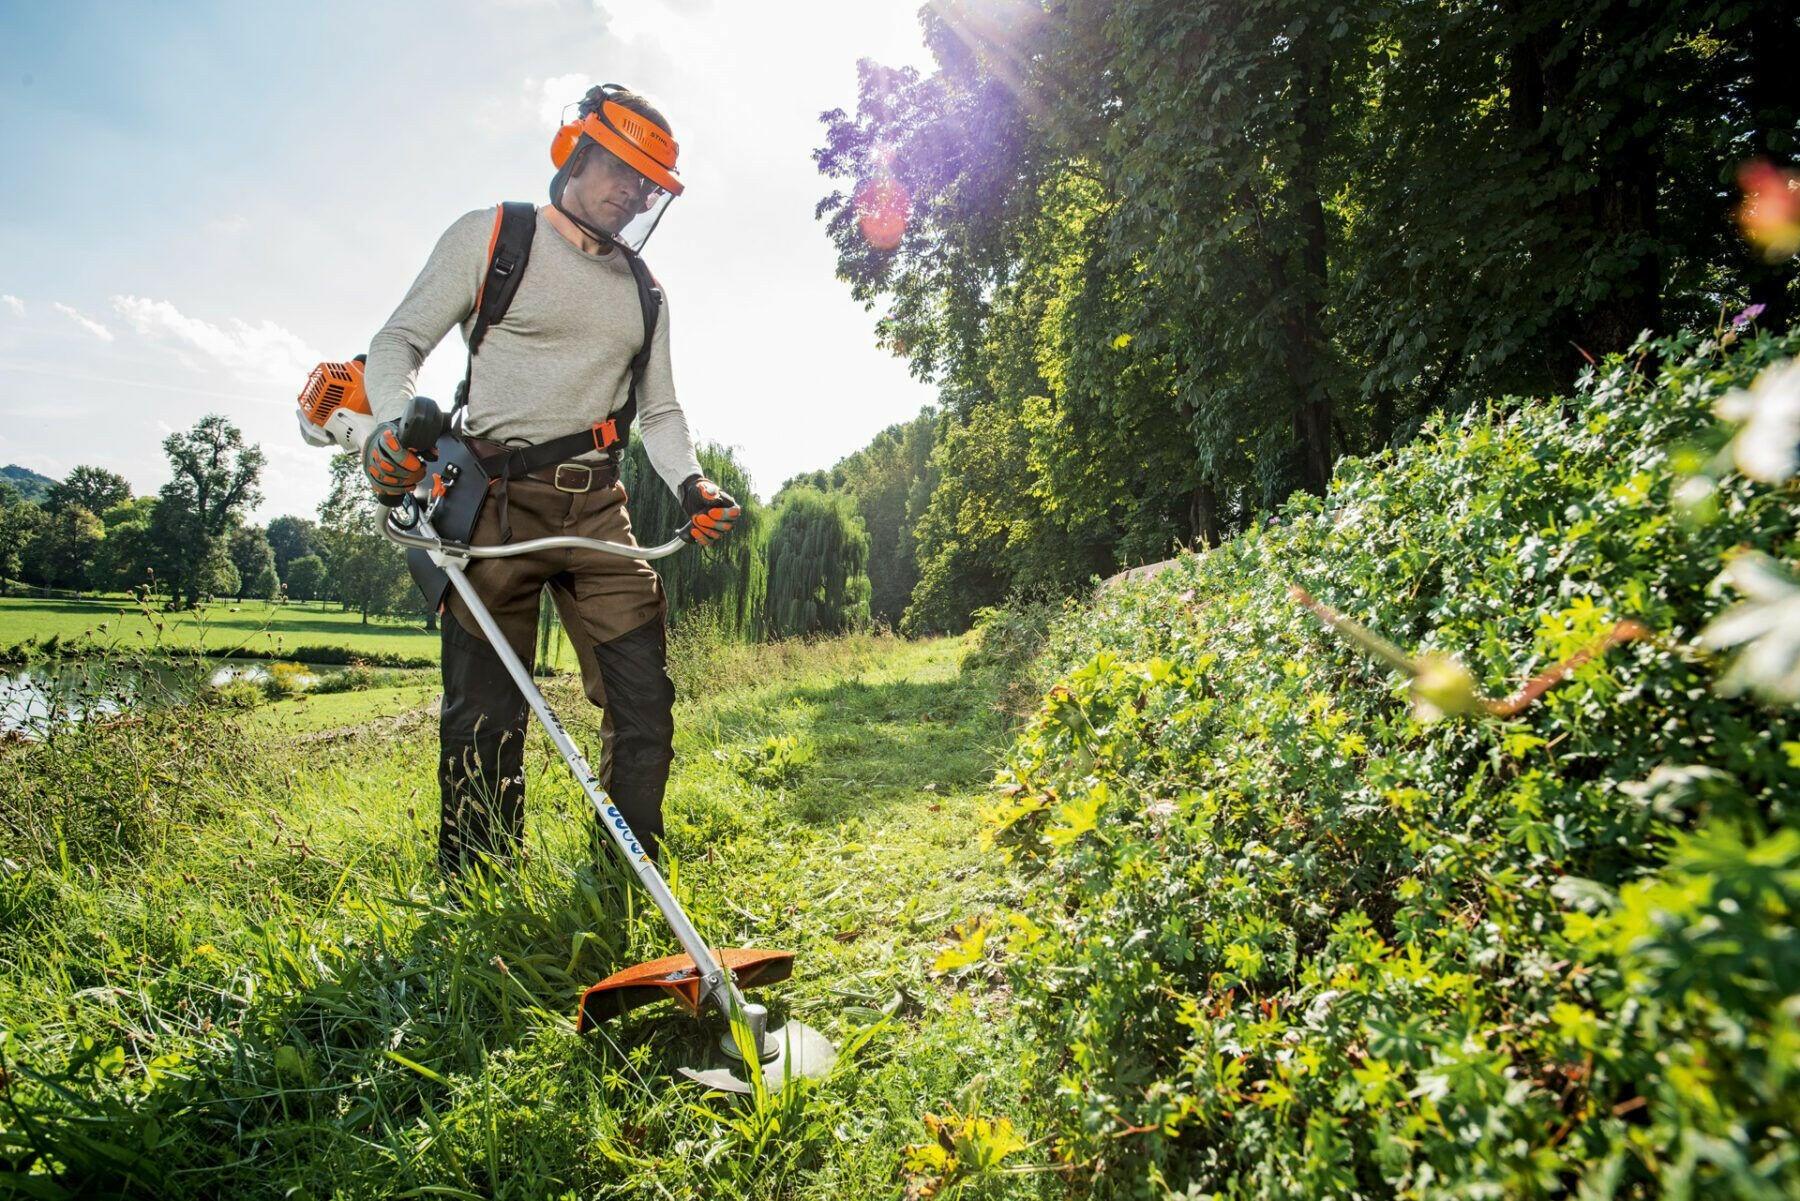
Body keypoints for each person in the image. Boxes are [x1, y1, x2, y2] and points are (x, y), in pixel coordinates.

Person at [359, 83, 740, 872]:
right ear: (575, 151)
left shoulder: (646, 291)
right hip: (490, 504)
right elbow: (397, 343)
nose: (632, 194)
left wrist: (692, 485)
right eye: (621, 171)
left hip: (598, 508)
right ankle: (479, 886)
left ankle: (622, 874)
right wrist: (396, 425)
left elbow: (660, 412)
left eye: (646, 185)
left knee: (645, 702)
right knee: (485, 717)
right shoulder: (496, 236)